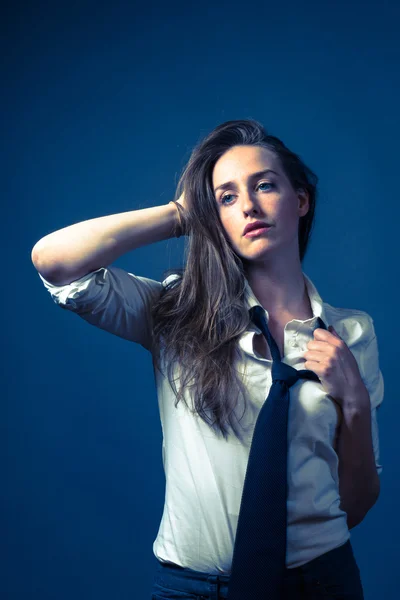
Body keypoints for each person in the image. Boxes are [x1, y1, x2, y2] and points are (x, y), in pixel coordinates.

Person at [31, 119, 384, 599]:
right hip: (192, 589)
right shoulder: (175, 312)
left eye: (264, 185)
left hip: (319, 583)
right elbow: (55, 262)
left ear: (300, 201)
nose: (250, 206)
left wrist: (356, 404)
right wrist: (181, 212)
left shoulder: (352, 333)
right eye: (227, 197)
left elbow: (357, 503)